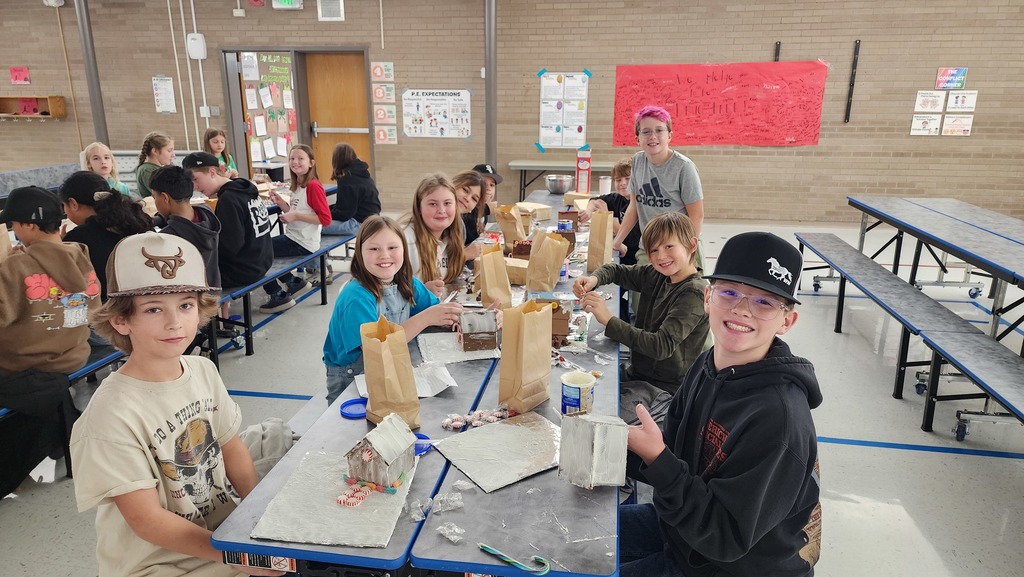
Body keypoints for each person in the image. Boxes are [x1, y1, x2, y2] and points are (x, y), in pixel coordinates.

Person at [69, 232, 283, 577]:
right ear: (121, 320)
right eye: (154, 309)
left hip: (221, 539)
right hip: (161, 564)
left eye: (185, 305)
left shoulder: (202, 370)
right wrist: (243, 558)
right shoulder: (109, 416)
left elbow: (231, 448)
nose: (175, 323)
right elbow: (148, 521)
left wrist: (261, 517)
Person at [620, 231, 822, 577]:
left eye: (764, 302)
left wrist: (657, 459)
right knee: (567, 535)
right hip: (682, 531)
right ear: (708, 299)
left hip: (726, 566)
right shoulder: (708, 364)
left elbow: (726, 538)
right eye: (730, 293)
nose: (742, 309)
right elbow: (673, 449)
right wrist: (611, 449)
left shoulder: (779, 419)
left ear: (786, 321)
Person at [0, 186, 100, 497]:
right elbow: (93, 309)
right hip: (73, 353)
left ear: (28, 226)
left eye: (13, 225)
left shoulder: (14, 267)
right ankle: (59, 430)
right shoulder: (80, 255)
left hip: (24, 365)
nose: (13, 232)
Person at [322, 215, 467, 404]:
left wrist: (470, 317)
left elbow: (437, 310)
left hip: (390, 368)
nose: (384, 255)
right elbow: (378, 349)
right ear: (359, 253)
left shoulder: (406, 282)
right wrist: (426, 318)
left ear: (404, 251)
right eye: (374, 249)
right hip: (352, 380)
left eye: (392, 247)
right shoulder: (356, 297)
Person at [573, 212, 708, 396]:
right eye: (653, 250)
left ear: (692, 245)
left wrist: (608, 320)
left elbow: (660, 346)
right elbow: (616, 270)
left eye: (669, 246)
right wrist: (594, 279)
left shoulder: (694, 293)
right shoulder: (659, 274)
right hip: (639, 374)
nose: (661, 256)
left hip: (664, 389)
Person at [613, 106, 704, 271]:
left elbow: (696, 216)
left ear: (669, 136)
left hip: (680, 249)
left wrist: (687, 251)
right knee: (643, 296)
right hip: (650, 249)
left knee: (681, 296)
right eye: (646, 131)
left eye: (659, 130)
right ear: (637, 138)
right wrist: (618, 240)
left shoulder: (684, 167)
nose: (652, 136)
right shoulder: (638, 162)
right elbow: (634, 206)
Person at [183, 151, 273, 313]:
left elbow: (230, 247)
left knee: (189, 277)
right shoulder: (244, 188)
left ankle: (210, 327)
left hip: (246, 270)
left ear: (211, 172)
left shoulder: (228, 199)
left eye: (196, 179)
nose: (194, 186)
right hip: (263, 260)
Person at [258, 144, 331, 313]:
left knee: (259, 253)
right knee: (264, 248)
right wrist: (281, 203)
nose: (295, 162)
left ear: (311, 163)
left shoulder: (313, 186)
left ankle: (278, 295)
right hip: (296, 237)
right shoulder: (298, 184)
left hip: (302, 242)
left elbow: (325, 219)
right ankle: (293, 282)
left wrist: (295, 216)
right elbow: (295, 211)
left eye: (300, 158)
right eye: (292, 158)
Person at [59, 171, 154, 301]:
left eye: (64, 206)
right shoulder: (137, 219)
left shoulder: (78, 238)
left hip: (111, 309)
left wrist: (63, 245)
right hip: (151, 298)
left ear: (73, 203)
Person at [149, 165, 222, 289]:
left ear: (165, 198)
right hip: (213, 291)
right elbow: (182, 220)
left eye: (154, 197)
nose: (155, 202)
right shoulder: (207, 214)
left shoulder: (168, 237)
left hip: (190, 301)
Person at [403, 173, 466, 298]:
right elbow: (386, 293)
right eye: (433, 204)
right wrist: (421, 292)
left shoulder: (451, 238)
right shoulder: (405, 240)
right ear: (419, 208)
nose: (441, 210)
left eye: (447, 203)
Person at [580, 157, 640, 266]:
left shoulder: (640, 203)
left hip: (636, 259)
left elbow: (630, 238)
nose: (622, 183)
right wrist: (588, 211)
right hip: (622, 253)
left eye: (627, 179)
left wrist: (607, 217)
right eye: (618, 180)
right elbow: (595, 200)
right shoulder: (618, 198)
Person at [323, 142, 380, 237]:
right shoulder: (363, 174)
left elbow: (344, 214)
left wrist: (322, 215)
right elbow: (344, 207)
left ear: (336, 160)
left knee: (314, 227)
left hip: (360, 225)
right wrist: (326, 210)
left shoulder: (347, 179)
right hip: (373, 220)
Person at [452, 169, 487, 259]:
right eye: (465, 190)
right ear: (453, 185)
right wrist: (464, 255)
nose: (467, 198)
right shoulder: (433, 219)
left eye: (474, 199)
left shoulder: (460, 227)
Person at [134, 131, 176, 199]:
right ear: (155, 151)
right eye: (169, 151)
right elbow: (166, 194)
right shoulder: (147, 170)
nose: (173, 155)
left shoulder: (158, 169)